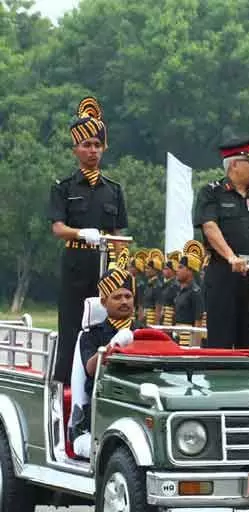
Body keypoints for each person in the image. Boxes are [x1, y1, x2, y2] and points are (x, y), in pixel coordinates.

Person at [49, 96, 128, 384]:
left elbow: (119, 235)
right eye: (87, 145)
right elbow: (58, 228)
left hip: (105, 264)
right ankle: (68, 384)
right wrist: (81, 233)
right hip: (76, 261)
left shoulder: (113, 190)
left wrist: (122, 266)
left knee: (108, 323)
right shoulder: (64, 187)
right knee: (72, 323)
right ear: (76, 150)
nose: (93, 150)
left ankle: (102, 379)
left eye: (97, 145)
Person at [194, 135, 249, 349]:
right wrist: (230, 256)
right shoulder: (212, 193)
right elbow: (209, 226)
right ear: (234, 163)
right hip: (225, 275)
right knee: (221, 343)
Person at [70, 255, 138, 456]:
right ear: (103, 301)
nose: (124, 301)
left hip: (139, 398)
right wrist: (114, 344)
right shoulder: (92, 335)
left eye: (128, 296)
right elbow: (91, 369)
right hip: (105, 404)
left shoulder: (145, 331)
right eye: (117, 297)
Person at [172, 241, 206, 347]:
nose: (177, 270)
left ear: (190, 271)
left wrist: (195, 348)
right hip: (177, 337)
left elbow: (198, 322)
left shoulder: (195, 292)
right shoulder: (181, 291)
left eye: (181, 267)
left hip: (187, 341)